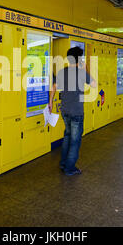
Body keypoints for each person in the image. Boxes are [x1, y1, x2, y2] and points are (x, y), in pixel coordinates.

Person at [49, 47, 96, 176]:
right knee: (75, 141)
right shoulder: (82, 72)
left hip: (65, 111)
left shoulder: (61, 72)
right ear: (79, 59)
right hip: (76, 112)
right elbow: (94, 84)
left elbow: (54, 88)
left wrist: (50, 102)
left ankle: (63, 163)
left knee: (67, 137)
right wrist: (85, 68)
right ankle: (70, 168)